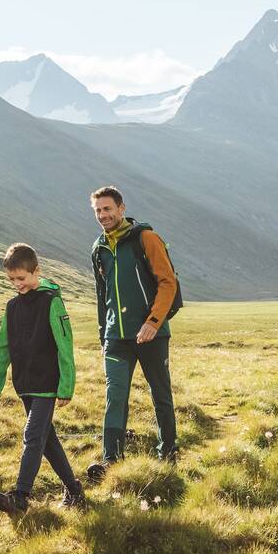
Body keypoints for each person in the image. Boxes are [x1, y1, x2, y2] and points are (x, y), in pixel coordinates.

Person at [0, 243, 88, 515]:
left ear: (36, 272)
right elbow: (2, 347)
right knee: (46, 439)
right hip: (25, 383)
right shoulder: (12, 307)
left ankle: (20, 496)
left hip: (47, 382)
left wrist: (66, 385)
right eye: (12, 279)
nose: (17, 284)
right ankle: (74, 490)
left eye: (22, 278)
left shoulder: (51, 302)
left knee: (32, 435)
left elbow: (65, 344)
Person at [86, 185, 180, 482]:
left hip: (152, 332)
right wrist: (104, 334)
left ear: (121, 208)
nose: (103, 215)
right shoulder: (98, 248)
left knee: (160, 394)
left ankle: (168, 452)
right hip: (116, 336)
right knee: (115, 395)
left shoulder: (146, 239)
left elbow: (167, 282)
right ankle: (111, 460)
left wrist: (153, 322)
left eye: (108, 209)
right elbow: (103, 297)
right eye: (98, 210)